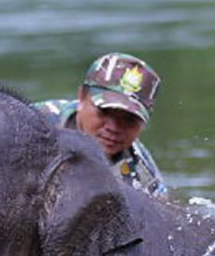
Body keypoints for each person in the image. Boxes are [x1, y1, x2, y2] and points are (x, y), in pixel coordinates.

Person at [34, 52, 169, 200]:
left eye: (129, 120)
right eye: (105, 112)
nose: (114, 127)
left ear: (142, 124)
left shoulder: (144, 178)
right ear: (81, 97)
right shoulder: (33, 125)